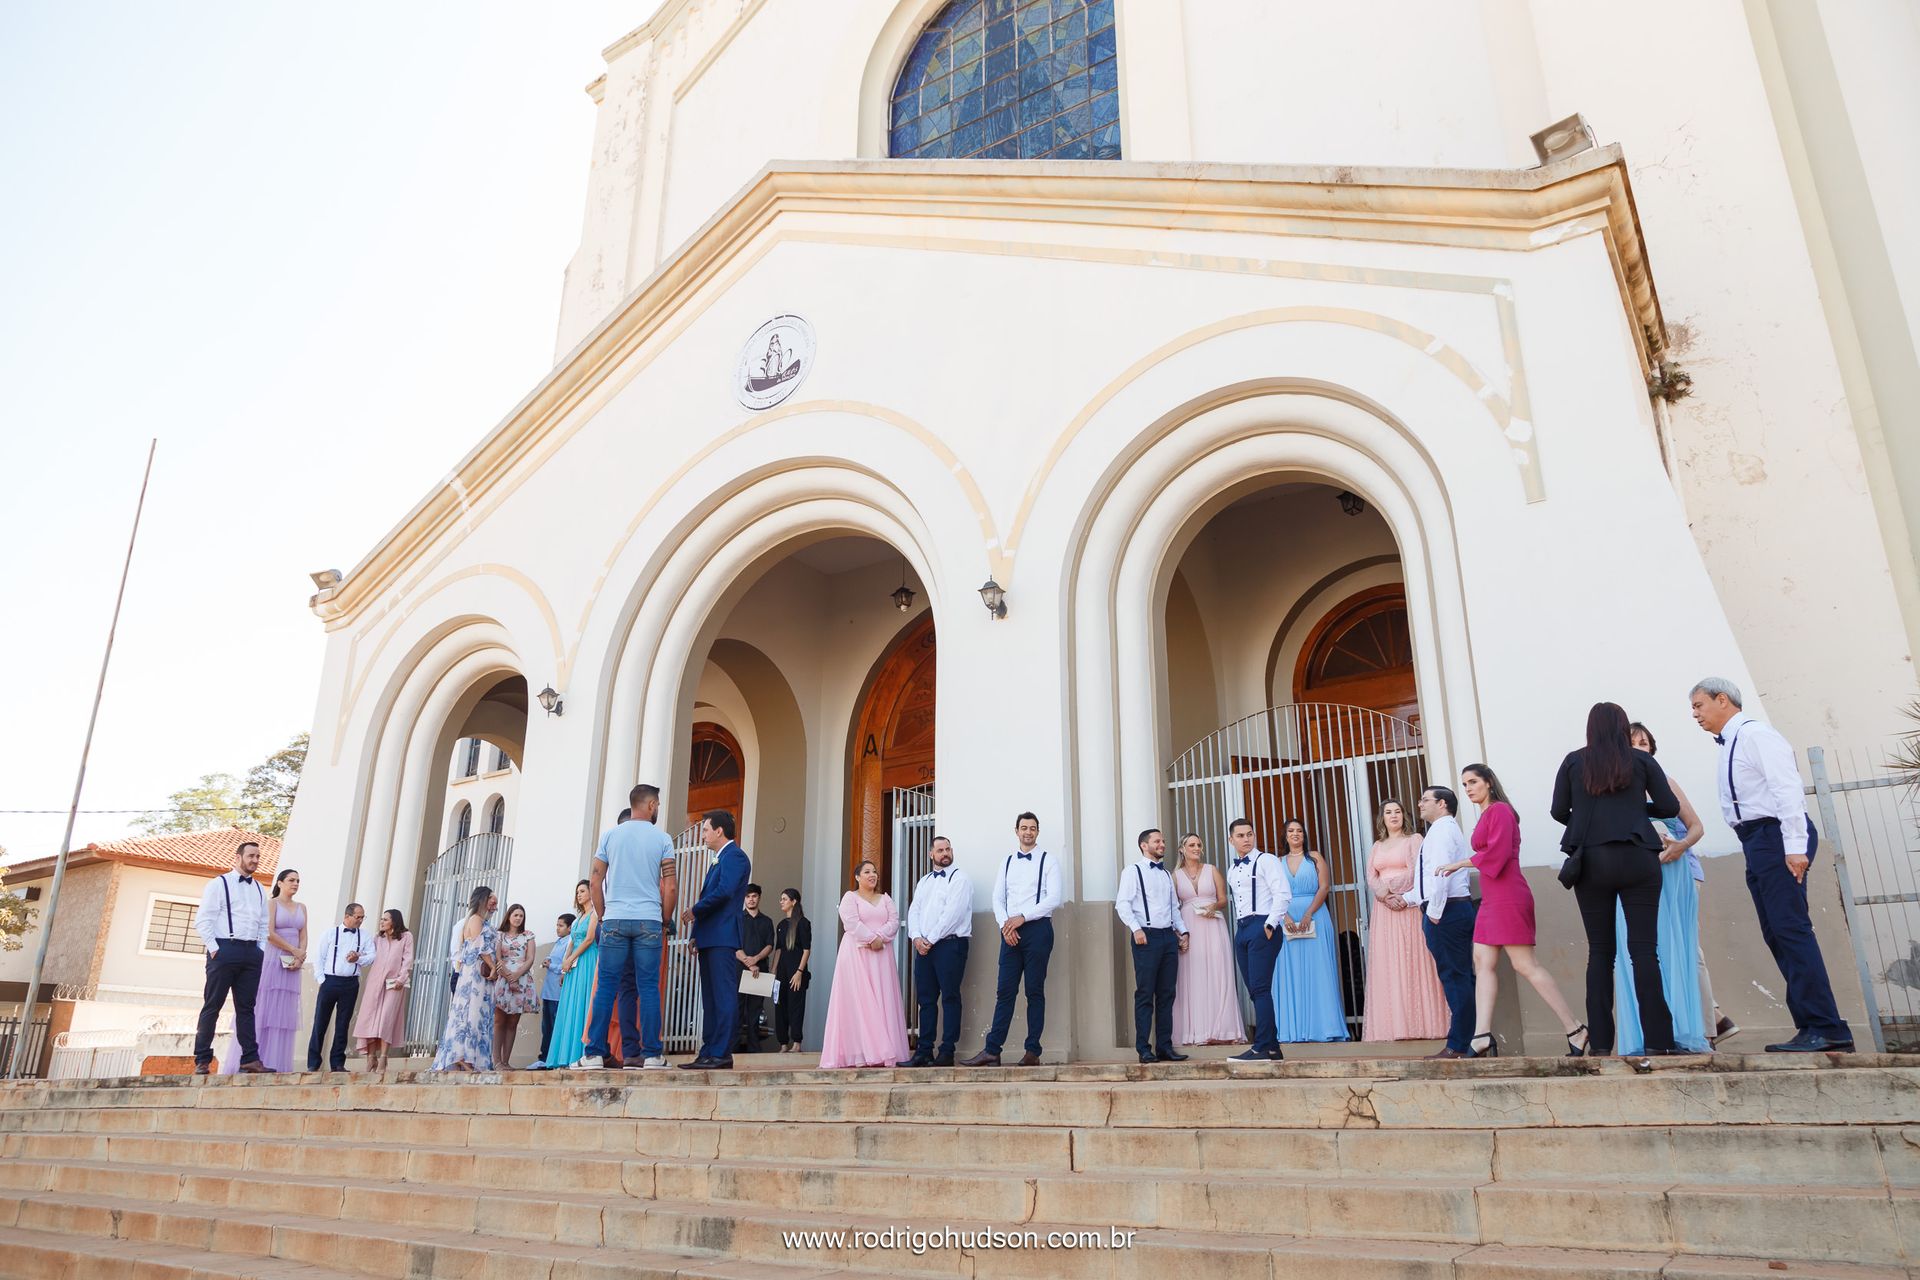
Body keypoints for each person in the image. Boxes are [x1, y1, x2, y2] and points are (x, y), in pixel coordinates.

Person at [1690, 677, 1854, 1053]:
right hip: (1757, 842)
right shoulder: (1732, 742)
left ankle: (1827, 1026)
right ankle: (1811, 1024)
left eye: (1699, 706)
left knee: (1791, 929)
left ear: (1722, 700)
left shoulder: (1756, 735)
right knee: (1777, 932)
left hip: (1776, 837)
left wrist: (1795, 846)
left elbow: (1787, 789)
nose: (1696, 715)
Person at [1551, 702, 1684, 1056]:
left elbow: (1558, 811)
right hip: (1639, 857)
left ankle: (1600, 1047)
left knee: (1600, 953)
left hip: (1592, 862)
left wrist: (1591, 822)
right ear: (1624, 729)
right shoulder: (1642, 761)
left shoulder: (1573, 761)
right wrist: (1636, 812)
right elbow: (1670, 808)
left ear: (1590, 728)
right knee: (1644, 952)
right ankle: (1658, 1042)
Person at [1441, 764, 1587, 1057]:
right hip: (1493, 897)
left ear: (1489, 783)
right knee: (1482, 963)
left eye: (1473, 782)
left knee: (1524, 964)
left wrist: (1460, 863)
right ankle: (1481, 1035)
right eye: (1464, 783)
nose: (1468, 788)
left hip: (1508, 895)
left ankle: (1575, 1029)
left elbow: (1498, 853)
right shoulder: (1488, 813)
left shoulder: (1500, 811)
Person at [1630, 721, 1735, 1046]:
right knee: (1658, 949)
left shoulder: (1666, 784)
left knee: (1689, 947)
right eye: (1631, 743)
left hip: (1682, 874)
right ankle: (1708, 1017)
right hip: (1642, 879)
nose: (1638, 749)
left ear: (1652, 749)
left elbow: (1696, 828)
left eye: (1644, 744)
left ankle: (1707, 1028)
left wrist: (1679, 846)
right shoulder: (1620, 791)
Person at [580, 784, 679, 1071]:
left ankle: (595, 1053)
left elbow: (595, 881)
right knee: (647, 988)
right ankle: (651, 1056)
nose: (657, 809)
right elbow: (670, 886)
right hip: (649, 918)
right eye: (657, 804)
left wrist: (604, 913)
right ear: (650, 805)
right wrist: (664, 919)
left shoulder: (610, 836)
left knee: (608, 988)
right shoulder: (662, 839)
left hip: (614, 919)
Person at [963, 812, 1064, 1067]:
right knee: (1005, 991)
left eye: (1032, 828)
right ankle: (992, 1051)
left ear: (1037, 832)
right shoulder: (1007, 861)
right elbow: (998, 897)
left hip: (1037, 929)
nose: (1028, 832)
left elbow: (1053, 898)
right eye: (1023, 828)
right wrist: (1005, 925)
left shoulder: (1048, 861)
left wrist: (1022, 917)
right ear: (1016, 831)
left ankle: (1033, 1052)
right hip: (1010, 931)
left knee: (1034, 991)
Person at [1361, 801, 1450, 1042]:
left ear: (1404, 815)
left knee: (1412, 959)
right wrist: (1384, 896)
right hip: (1384, 910)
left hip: (1407, 905)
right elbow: (1370, 875)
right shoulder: (1377, 846)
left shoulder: (1414, 840)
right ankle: (1391, 1027)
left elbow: (1416, 872)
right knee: (1388, 963)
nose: (1393, 816)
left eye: (1397, 811)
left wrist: (1393, 891)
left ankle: (1422, 1024)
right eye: (1388, 812)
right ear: (1382, 818)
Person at [819, 860, 912, 1068]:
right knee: (859, 1000)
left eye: (875, 872)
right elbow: (851, 922)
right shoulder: (850, 898)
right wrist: (871, 938)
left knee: (882, 997)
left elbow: (894, 922)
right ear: (857, 877)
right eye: (867, 871)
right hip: (856, 955)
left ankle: (886, 1050)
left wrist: (879, 937)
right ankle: (860, 1052)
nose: (873, 875)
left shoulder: (885, 899)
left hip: (881, 955)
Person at [192, 840, 273, 1075]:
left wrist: (260, 949)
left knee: (247, 1008)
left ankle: (250, 1058)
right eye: (251, 856)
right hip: (224, 950)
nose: (255, 860)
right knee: (213, 1005)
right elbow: (203, 919)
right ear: (238, 857)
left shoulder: (259, 888)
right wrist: (215, 948)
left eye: (258, 856)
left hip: (251, 954)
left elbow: (263, 923)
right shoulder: (218, 884)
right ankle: (202, 1059)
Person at [679, 809, 752, 1069]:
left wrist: (694, 910)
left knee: (723, 995)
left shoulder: (735, 857)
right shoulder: (718, 859)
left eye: (706, 829)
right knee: (709, 999)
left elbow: (723, 893)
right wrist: (696, 934)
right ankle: (708, 1051)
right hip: (709, 936)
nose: (703, 835)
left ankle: (722, 1052)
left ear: (719, 831)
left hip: (723, 936)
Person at [1409, 787, 1477, 1059]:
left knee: (1455, 977)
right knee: (1459, 976)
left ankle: (1459, 1044)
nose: (1420, 804)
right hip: (1445, 910)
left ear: (1442, 804)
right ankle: (1474, 1039)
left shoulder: (1442, 830)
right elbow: (1426, 878)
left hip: (1447, 912)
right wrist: (1408, 898)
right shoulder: (1439, 830)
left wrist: (1434, 912)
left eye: (1425, 799)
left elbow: (1440, 872)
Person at [1114, 828, 1190, 1064]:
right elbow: (1122, 904)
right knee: (1145, 994)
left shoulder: (1167, 874)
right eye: (1157, 841)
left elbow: (1173, 907)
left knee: (1167, 994)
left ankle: (1164, 1047)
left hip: (1168, 937)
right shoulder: (1132, 871)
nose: (1162, 844)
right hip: (1145, 936)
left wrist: (1183, 931)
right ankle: (1143, 1048)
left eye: (1163, 841)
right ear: (1144, 845)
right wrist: (1136, 929)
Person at [1271, 819, 1348, 1044]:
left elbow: (1324, 887)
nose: (1295, 834)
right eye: (1291, 831)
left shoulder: (1314, 857)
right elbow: (1274, 892)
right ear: (1284, 836)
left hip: (1315, 916)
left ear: (1304, 835)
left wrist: (1307, 914)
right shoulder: (1277, 862)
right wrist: (1284, 918)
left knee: (1319, 971)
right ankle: (1291, 1030)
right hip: (1286, 922)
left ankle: (1323, 1027)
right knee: (1289, 972)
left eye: (1299, 831)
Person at [223, 868, 306, 1074]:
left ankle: (278, 1062)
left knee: (283, 1014)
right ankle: (251, 1058)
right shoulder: (272, 904)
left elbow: (304, 933)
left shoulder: (302, 907)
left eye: (297, 880)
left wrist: (301, 954)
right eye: (291, 880)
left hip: (293, 963)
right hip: (273, 959)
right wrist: (293, 949)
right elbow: (269, 933)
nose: (295, 884)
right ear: (280, 883)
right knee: (265, 1008)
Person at [899, 836, 971, 1067]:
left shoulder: (959, 878)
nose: (945, 853)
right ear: (931, 854)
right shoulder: (924, 881)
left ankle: (947, 1051)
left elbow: (953, 914)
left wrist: (929, 938)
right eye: (940, 850)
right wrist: (917, 937)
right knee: (926, 1000)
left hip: (950, 945)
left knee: (950, 997)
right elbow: (914, 911)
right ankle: (924, 1051)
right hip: (925, 948)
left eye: (948, 848)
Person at [1224, 819, 1291, 1062]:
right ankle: (1272, 1047)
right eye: (1240, 836)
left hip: (1262, 926)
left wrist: (1271, 924)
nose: (1246, 839)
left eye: (1250, 834)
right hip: (1242, 929)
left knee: (1261, 989)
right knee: (1254, 991)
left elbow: (1282, 893)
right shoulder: (1232, 870)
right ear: (1231, 840)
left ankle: (1262, 1046)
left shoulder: (1267, 860)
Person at [1172, 833, 1243, 1046]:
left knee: (1217, 973)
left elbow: (1223, 899)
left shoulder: (1212, 870)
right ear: (1182, 849)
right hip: (1188, 927)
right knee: (1191, 977)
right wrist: (1179, 933)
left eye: (1199, 845)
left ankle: (1223, 1030)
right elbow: (1173, 906)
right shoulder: (1174, 876)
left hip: (1212, 925)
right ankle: (1194, 1031)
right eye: (1191, 845)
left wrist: (1213, 906)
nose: (1196, 848)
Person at [434, 886, 498, 1071]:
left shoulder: (483, 921)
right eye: (491, 900)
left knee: (480, 1015)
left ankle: (473, 1056)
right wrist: (493, 966)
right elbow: (479, 946)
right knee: (470, 1013)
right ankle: (463, 1054)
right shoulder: (475, 919)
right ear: (482, 900)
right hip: (474, 973)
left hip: (482, 974)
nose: (494, 904)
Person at [307, 902, 372, 1072]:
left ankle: (337, 1063)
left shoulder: (364, 936)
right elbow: (319, 957)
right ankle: (313, 1062)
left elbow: (372, 955)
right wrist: (321, 979)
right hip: (329, 981)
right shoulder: (330, 933)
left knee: (343, 1024)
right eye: (357, 917)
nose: (360, 921)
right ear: (347, 916)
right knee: (320, 1022)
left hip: (350, 983)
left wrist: (357, 958)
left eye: (362, 917)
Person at [545, 881, 599, 1069]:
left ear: (592, 892)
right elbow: (571, 942)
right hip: (574, 965)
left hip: (588, 960)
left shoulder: (595, 914)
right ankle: (565, 1055)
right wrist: (565, 964)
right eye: (577, 892)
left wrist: (571, 959)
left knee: (584, 1003)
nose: (579, 895)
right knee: (570, 1006)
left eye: (583, 891)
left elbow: (589, 939)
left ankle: (582, 1053)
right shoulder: (578, 918)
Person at [353, 908, 413, 1072]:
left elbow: (408, 959)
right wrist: (356, 955)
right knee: (370, 1019)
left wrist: (401, 978)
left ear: (394, 921)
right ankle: (371, 1057)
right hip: (375, 983)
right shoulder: (377, 939)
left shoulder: (406, 937)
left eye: (385, 919)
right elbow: (367, 953)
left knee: (386, 1019)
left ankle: (384, 1058)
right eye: (381, 919)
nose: (382, 922)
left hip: (394, 984)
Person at [492, 904, 538, 1068]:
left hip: (522, 979)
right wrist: (507, 975)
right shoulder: (499, 935)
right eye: (515, 915)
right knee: (499, 1021)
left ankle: (506, 1061)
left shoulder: (528, 935)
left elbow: (530, 958)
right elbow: (497, 957)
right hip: (503, 979)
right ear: (509, 916)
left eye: (521, 916)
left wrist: (517, 975)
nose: (518, 918)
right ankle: (496, 1061)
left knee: (512, 1022)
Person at [529, 912, 573, 1069]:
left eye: (561, 926)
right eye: (557, 925)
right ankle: (545, 1057)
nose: (557, 928)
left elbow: (565, 965)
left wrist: (551, 966)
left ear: (570, 928)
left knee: (555, 1026)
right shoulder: (559, 941)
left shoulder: (570, 942)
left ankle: (555, 1058)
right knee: (546, 1027)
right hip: (549, 991)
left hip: (558, 993)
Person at [735, 884, 776, 1054]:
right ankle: (734, 1047)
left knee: (755, 1010)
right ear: (744, 899)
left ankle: (754, 1048)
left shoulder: (766, 921)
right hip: (740, 969)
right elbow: (734, 944)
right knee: (737, 1008)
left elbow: (770, 945)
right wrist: (748, 963)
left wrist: (756, 960)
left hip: (761, 970)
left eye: (754, 896)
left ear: (759, 897)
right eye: (748, 896)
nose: (751, 899)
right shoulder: (738, 919)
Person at [773, 890, 812, 1052]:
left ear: (793, 901)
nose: (781, 902)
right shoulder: (781, 925)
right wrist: (773, 970)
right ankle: (783, 1043)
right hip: (781, 971)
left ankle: (796, 1043)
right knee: (780, 1005)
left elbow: (806, 949)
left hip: (796, 971)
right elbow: (779, 949)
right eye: (780, 899)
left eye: (784, 899)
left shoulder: (803, 923)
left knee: (795, 1006)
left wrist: (799, 972)